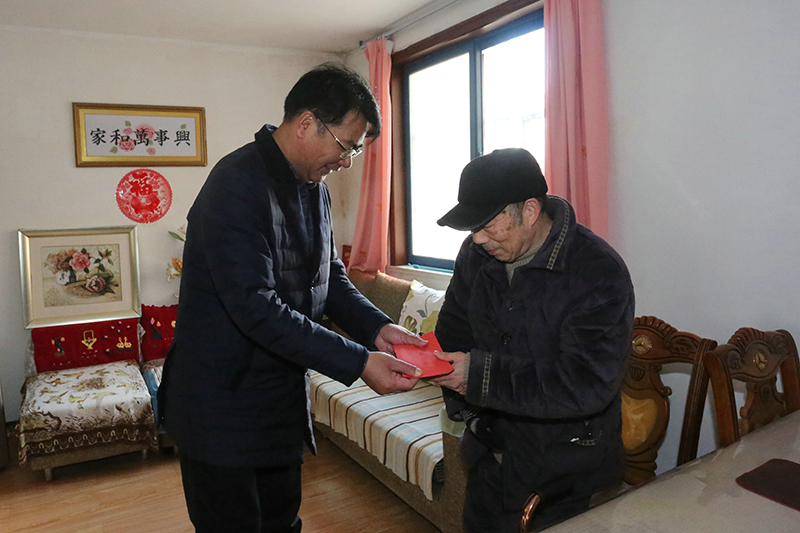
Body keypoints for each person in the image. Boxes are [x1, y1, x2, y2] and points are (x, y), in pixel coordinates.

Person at [158, 63, 424, 533]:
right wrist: (359, 361)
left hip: (278, 401)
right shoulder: (235, 185)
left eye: (355, 151)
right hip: (220, 405)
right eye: (345, 146)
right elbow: (254, 307)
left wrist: (377, 328)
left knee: (282, 523)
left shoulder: (314, 188)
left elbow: (329, 277)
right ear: (306, 123)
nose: (346, 162)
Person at [430, 148, 635, 532]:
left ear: (529, 211)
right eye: (472, 228)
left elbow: (586, 383)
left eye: (488, 225)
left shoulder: (597, 271)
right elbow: (453, 331)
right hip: (488, 458)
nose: (478, 239)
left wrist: (477, 377)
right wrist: (469, 408)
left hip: (563, 476)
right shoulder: (477, 255)